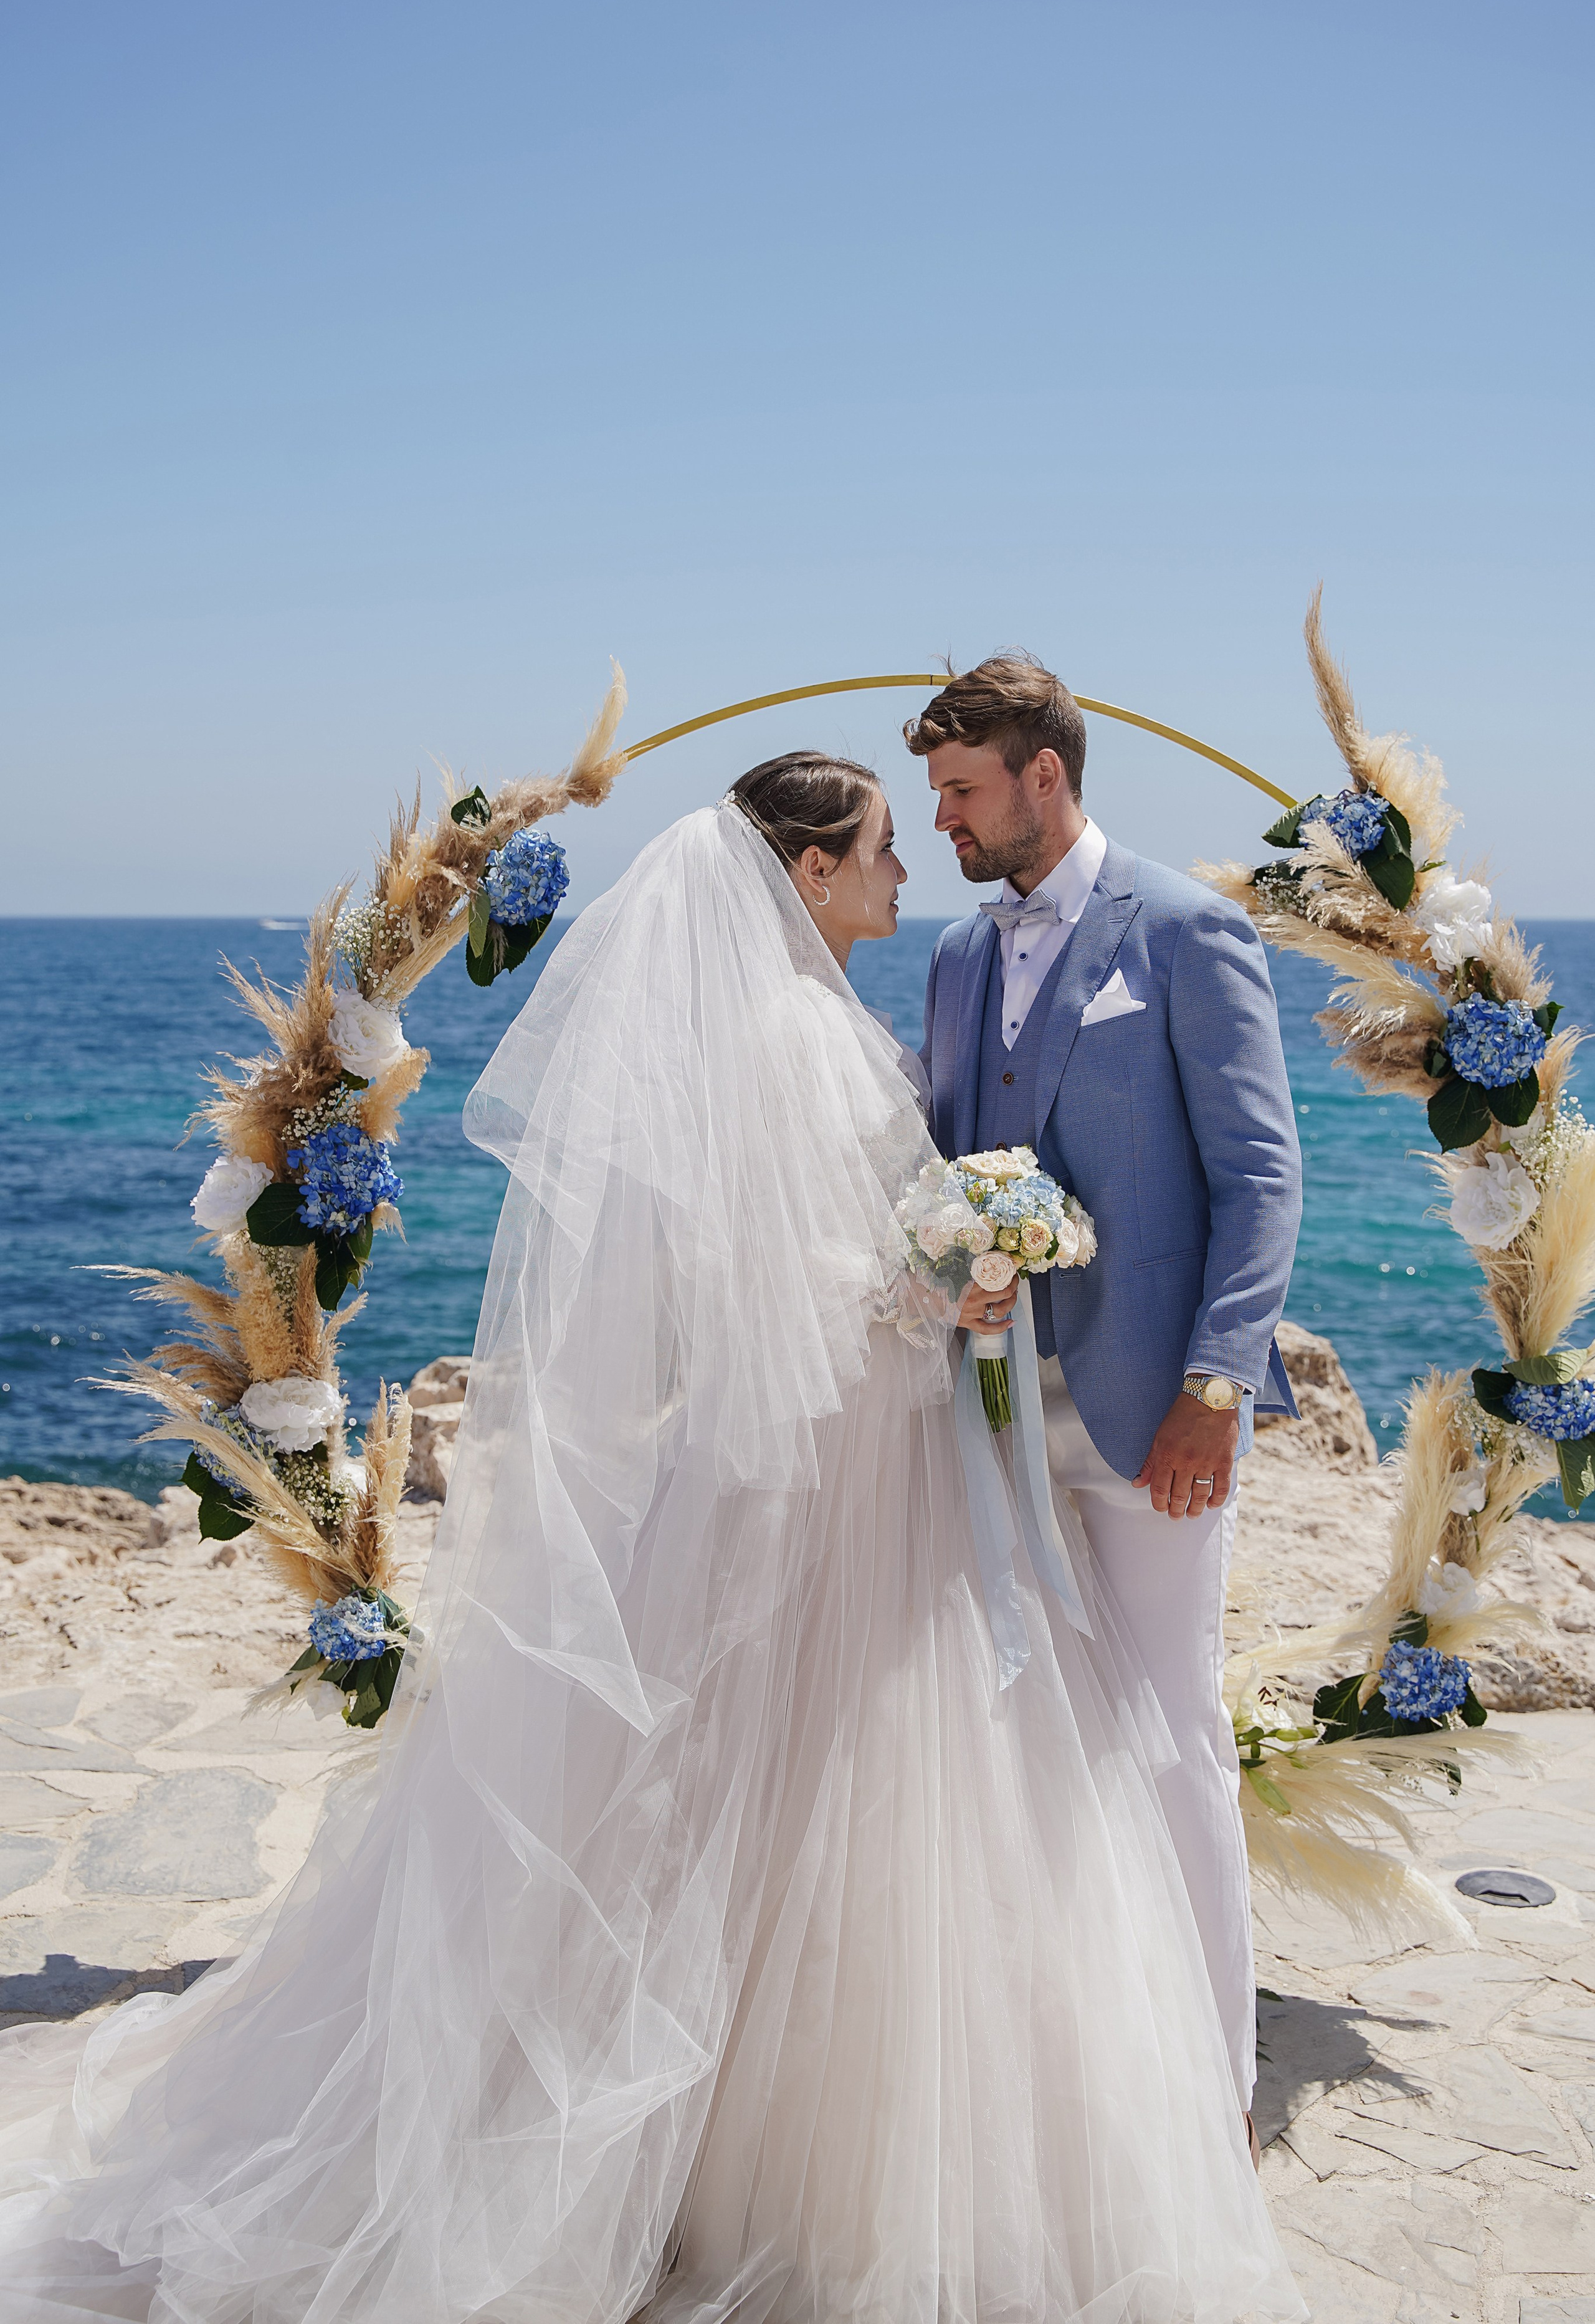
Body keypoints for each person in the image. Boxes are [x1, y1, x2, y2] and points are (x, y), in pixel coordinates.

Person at [0, 754, 1301, 2323]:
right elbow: (812, 1294)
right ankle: (779, 2153)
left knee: (749, 1797)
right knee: (839, 1789)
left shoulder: (758, 1030)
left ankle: (724, 2128)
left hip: (806, 1468)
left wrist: (946, 1261)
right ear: (808, 875)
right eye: (885, 845)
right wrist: (949, 1281)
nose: (909, 868)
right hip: (847, 1477)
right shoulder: (798, 1043)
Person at [908, 657, 1304, 2144]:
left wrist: (1217, 1383)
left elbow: (1262, 1176)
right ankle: (1074, 2072)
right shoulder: (954, 957)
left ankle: (1205, 2086)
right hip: (990, 1411)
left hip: (1153, 1414)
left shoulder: (1189, 929)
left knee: (1169, 1724)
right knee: (1025, 1736)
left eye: (959, 791)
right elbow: (946, 1156)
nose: (939, 820)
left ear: (1044, 779)